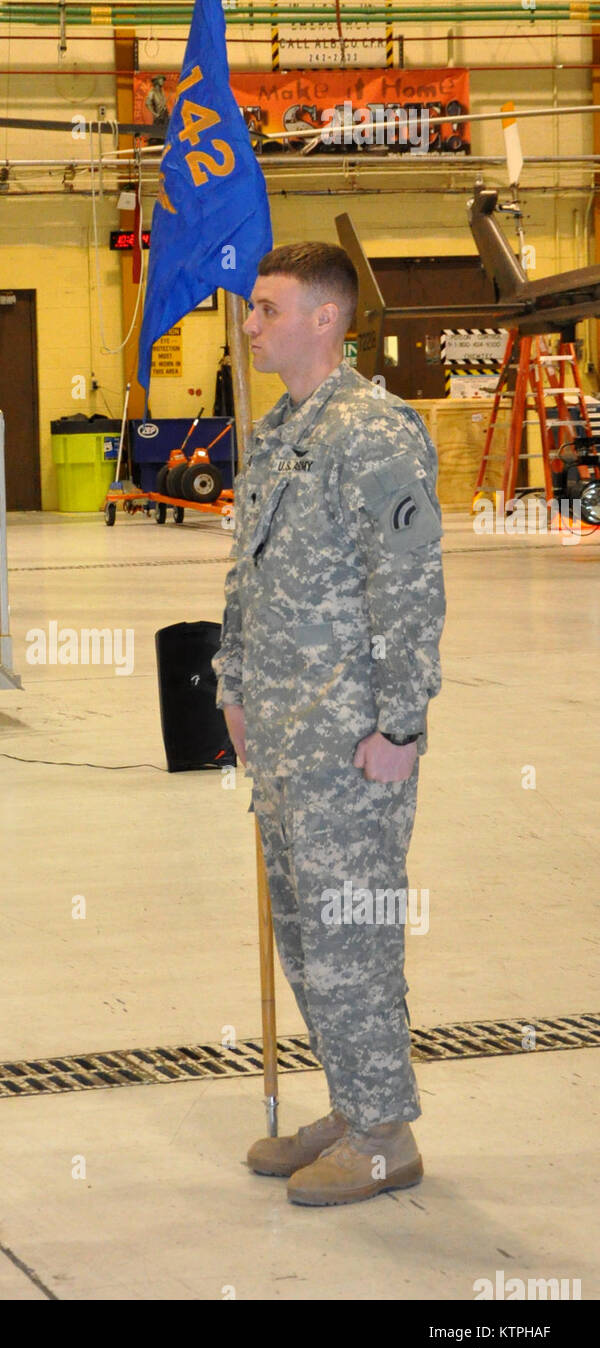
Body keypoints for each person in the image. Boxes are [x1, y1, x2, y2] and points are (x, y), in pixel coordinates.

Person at [213, 242, 446, 1206]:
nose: (250, 325)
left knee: (356, 930)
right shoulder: (283, 431)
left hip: (352, 739)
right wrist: (229, 679)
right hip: (283, 736)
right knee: (308, 934)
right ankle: (354, 1103)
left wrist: (399, 725)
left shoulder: (374, 431)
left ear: (324, 318)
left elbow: (412, 586)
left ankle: (386, 1131)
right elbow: (250, 573)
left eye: (266, 309)